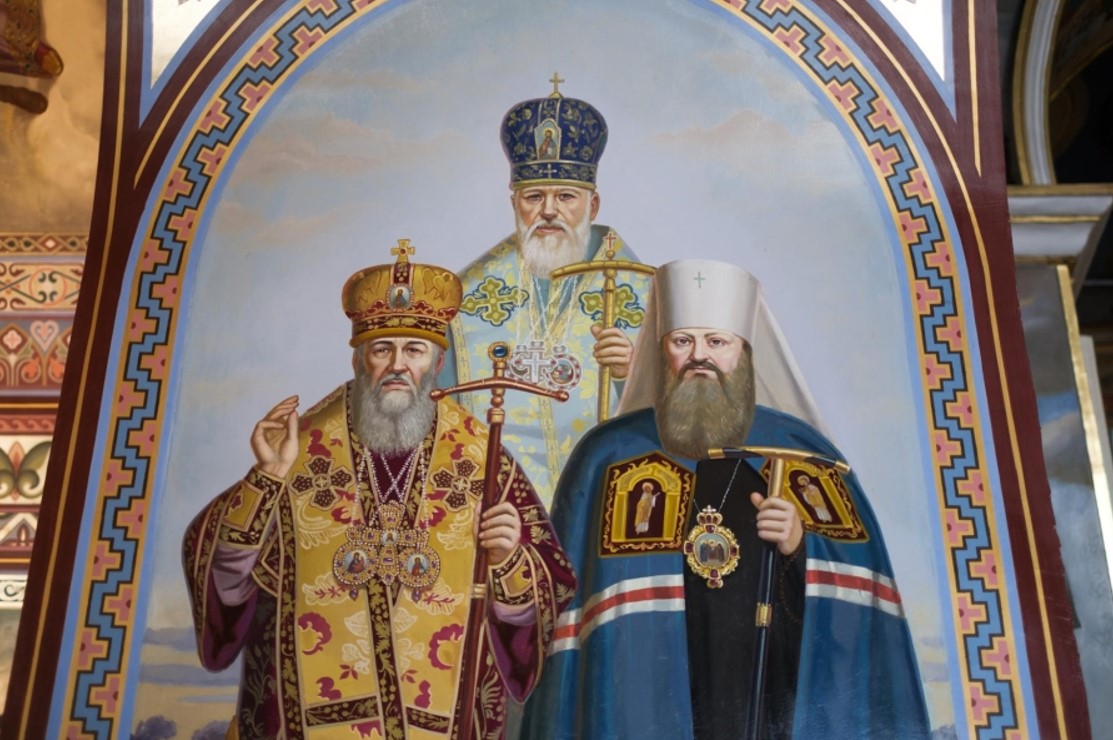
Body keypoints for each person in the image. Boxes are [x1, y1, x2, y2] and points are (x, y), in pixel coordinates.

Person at [521, 259, 931, 739]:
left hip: (769, 696)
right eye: (682, 341)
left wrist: (801, 545)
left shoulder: (803, 452)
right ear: (662, 350)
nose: (700, 357)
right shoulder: (607, 455)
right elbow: (560, 606)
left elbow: (859, 609)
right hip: (641, 699)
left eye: (717, 342)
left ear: (744, 353)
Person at [183, 243, 575, 739]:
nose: (397, 365)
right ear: (358, 359)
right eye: (382, 349)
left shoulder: (483, 457)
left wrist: (509, 561)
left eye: (414, 351)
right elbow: (223, 578)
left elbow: (549, 590)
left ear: (437, 363)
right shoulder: (297, 447)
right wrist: (265, 481)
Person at [442, 77, 653, 509]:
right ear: (514, 203)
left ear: (593, 205)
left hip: (603, 505)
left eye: (566, 197)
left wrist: (631, 375)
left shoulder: (644, 291)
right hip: (500, 511)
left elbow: (683, 419)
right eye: (534, 196)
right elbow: (443, 421)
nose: (550, 211)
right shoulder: (464, 299)